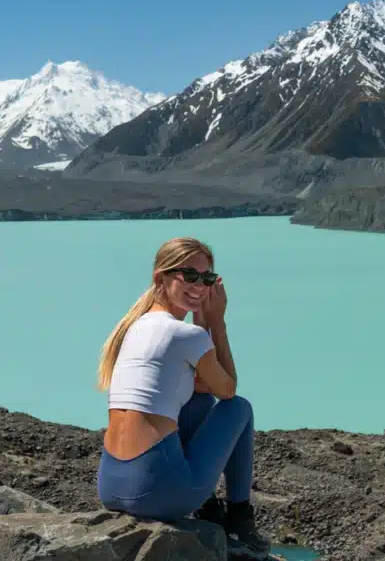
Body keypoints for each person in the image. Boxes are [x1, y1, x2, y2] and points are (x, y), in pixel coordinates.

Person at [95, 236, 272, 559]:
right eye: (188, 275)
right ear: (160, 277)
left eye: (206, 278)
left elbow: (203, 388)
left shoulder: (135, 327)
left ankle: (209, 509)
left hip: (111, 486)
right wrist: (216, 322)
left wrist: (202, 319)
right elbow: (227, 389)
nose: (199, 285)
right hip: (159, 493)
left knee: (199, 402)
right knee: (239, 408)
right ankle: (240, 520)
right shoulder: (183, 334)